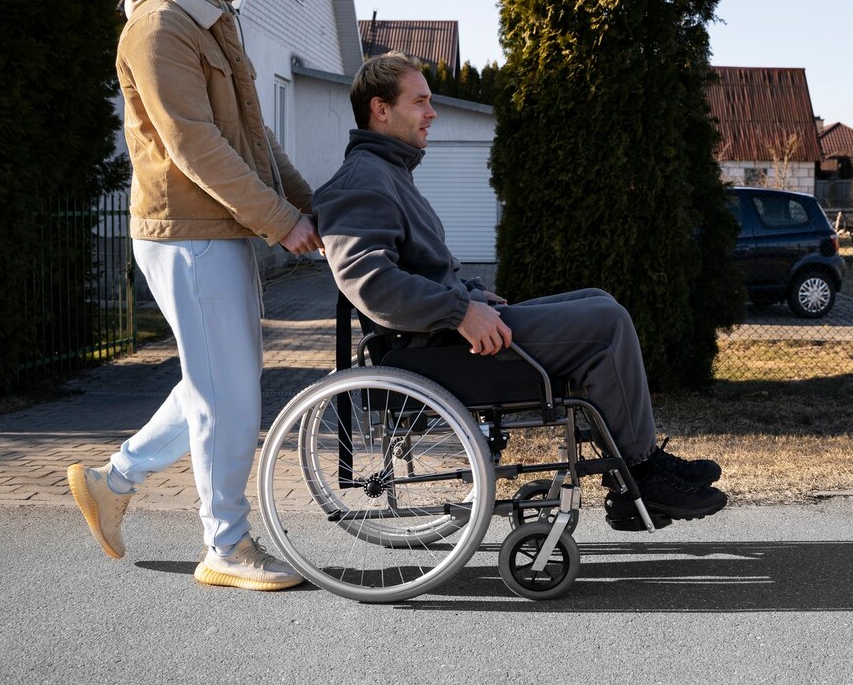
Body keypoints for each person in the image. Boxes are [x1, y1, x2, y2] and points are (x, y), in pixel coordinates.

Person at [311, 52, 728, 524]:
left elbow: (421, 269)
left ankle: (637, 465)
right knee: (606, 324)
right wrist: (459, 311)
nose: (432, 113)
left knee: (598, 300)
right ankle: (641, 474)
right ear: (380, 109)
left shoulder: (388, 173)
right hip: (438, 347)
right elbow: (370, 282)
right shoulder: (362, 181)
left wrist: (468, 292)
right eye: (420, 102)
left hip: (444, 333)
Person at [67, 0, 318, 591]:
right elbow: (195, 147)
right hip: (185, 236)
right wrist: (282, 221)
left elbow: (254, 137)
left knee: (212, 384)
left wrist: (307, 205)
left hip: (219, 230)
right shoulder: (159, 28)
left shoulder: (212, 22)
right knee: (227, 396)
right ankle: (227, 547)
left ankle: (112, 484)